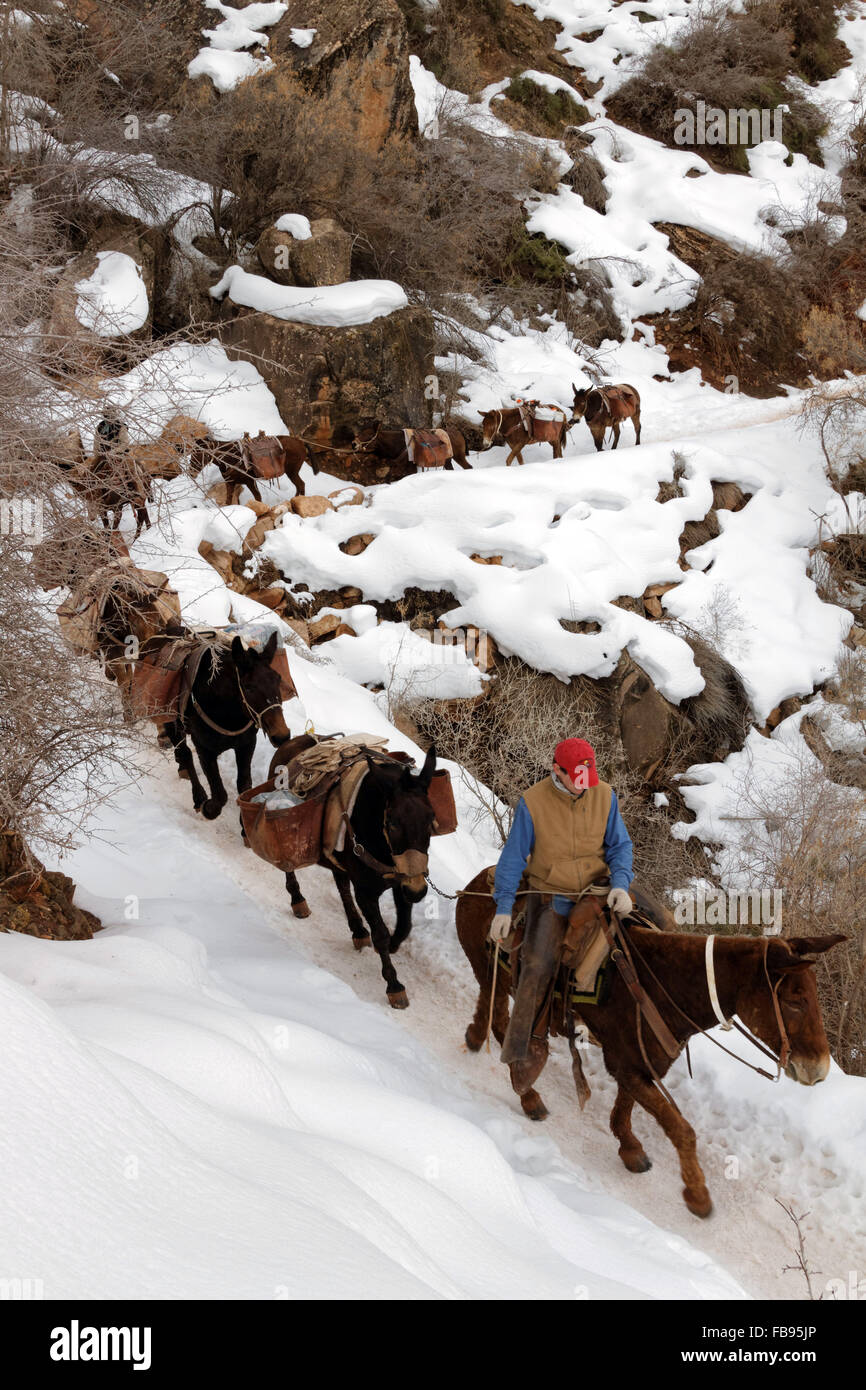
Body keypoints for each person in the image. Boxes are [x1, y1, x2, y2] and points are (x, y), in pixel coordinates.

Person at [489, 738, 633, 1065]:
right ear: (557, 770)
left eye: (588, 779)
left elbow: (620, 846)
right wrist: (503, 906)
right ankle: (522, 1048)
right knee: (536, 965)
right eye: (577, 780)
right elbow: (513, 858)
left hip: (600, 888)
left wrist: (621, 884)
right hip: (552, 893)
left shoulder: (604, 795)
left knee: (659, 924)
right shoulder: (533, 802)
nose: (584, 788)